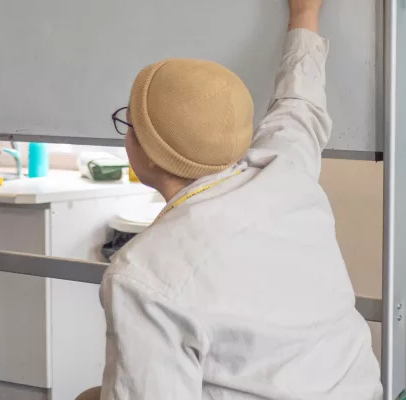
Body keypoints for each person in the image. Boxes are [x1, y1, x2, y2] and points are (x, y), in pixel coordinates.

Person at [77, 0, 383, 398]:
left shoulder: (143, 275)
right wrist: (305, 15)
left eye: (129, 123)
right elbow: (299, 106)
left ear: (147, 151)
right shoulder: (286, 173)